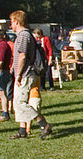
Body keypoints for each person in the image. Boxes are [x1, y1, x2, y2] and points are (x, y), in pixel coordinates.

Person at [10, 10, 53, 140]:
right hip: (26, 72)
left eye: (12, 22)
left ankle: (43, 124)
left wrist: (18, 74)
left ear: (17, 22)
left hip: (25, 73)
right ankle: (22, 130)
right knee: (18, 102)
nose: (11, 25)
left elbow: (22, 56)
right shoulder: (26, 35)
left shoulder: (23, 36)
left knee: (20, 102)